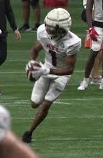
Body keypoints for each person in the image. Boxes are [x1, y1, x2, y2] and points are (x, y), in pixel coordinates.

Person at [22, 8, 81, 143]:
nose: (49, 30)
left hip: (61, 75)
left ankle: (29, 133)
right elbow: (35, 49)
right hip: (46, 67)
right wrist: (32, 62)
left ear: (62, 29)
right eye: (48, 27)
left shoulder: (73, 42)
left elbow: (69, 69)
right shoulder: (42, 31)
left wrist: (46, 71)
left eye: (52, 28)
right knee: (34, 103)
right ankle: (42, 98)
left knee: (46, 104)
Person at [82, 0, 103, 85]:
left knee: (98, 47)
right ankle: (95, 75)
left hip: (97, 15)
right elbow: (91, 4)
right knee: (98, 47)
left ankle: (93, 73)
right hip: (96, 16)